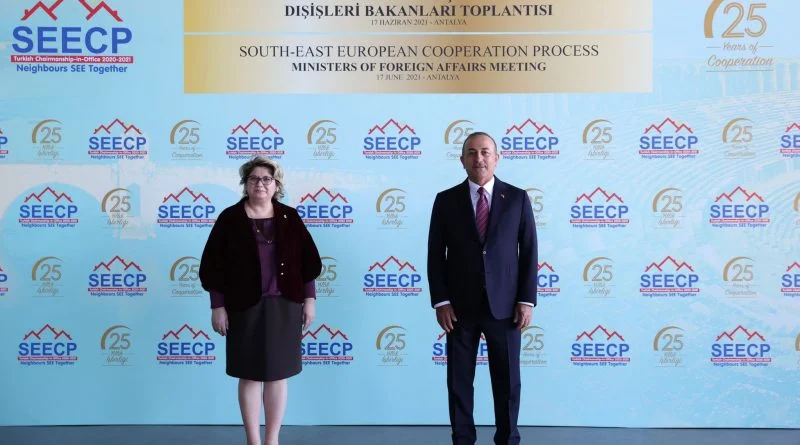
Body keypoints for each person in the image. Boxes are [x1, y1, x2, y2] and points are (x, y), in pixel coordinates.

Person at [199, 156, 322, 445]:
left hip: (285, 305)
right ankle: (253, 440)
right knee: (249, 375)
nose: (260, 184)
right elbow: (213, 266)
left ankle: (272, 439)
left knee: (278, 375)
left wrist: (310, 300)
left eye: (267, 179)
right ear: (246, 183)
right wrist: (217, 306)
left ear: (276, 184)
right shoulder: (229, 219)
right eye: (254, 178)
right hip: (244, 307)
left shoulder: (290, 218)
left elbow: (307, 264)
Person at [427, 132, 538, 445]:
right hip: (459, 309)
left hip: (506, 307)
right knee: (459, 381)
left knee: (508, 381)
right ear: (462, 160)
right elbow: (435, 254)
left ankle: (508, 438)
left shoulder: (517, 198)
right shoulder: (446, 200)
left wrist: (526, 300)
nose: (479, 158)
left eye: (485, 152)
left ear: (497, 158)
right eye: (472, 153)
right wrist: (441, 301)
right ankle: (463, 438)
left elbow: (529, 251)